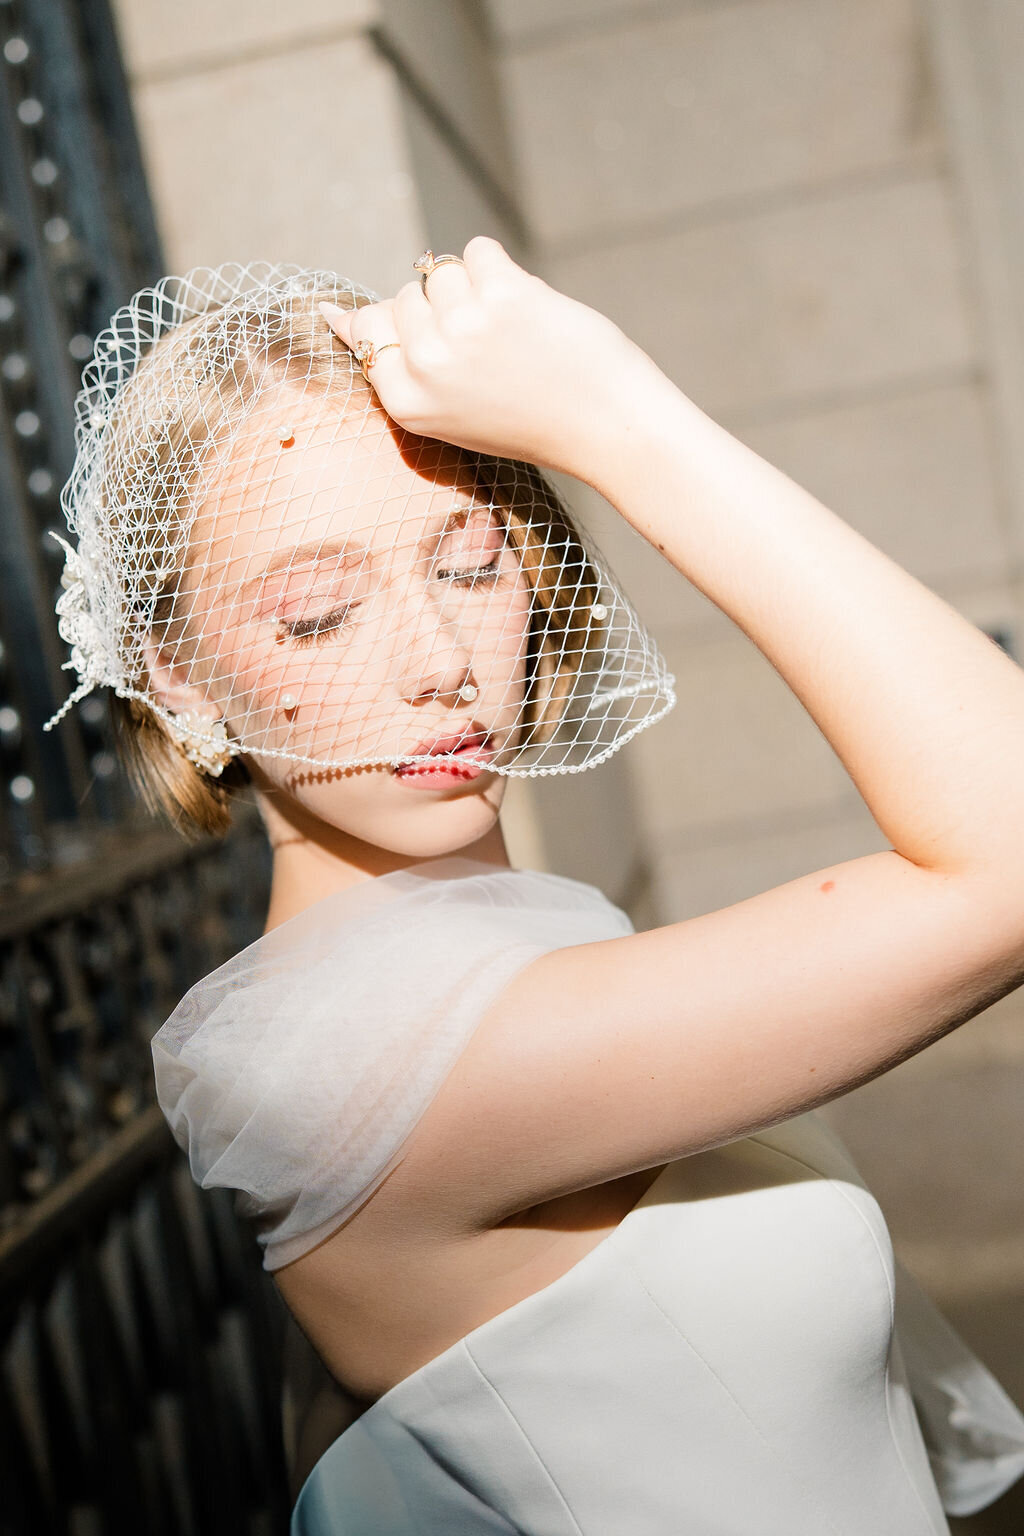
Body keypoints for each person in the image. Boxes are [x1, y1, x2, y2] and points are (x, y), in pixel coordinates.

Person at [43, 239, 1024, 1533]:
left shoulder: (520, 957)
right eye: (320, 613)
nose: (443, 659)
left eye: (469, 564)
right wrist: (622, 416)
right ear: (174, 681)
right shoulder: (345, 1063)